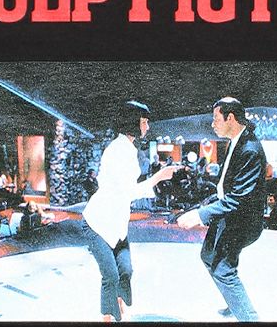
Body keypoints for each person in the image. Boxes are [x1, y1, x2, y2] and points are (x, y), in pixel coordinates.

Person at [82, 100, 180, 322]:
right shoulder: (117, 151)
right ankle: (108, 318)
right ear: (131, 122)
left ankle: (118, 305)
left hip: (116, 224)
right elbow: (128, 192)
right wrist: (158, 177)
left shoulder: (127, 148)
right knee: (111, 275)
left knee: (125, 271)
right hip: (98, 224)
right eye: (144, 122)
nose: (147, 127)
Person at [177, 97, 266, 322]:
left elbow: (238, 199)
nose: (212, 124)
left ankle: (249, 317)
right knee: (208, 255)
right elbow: (225, 187)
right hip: (229, 215)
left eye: (216, 119)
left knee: (223, 269)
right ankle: (234, 300)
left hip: (243, 221)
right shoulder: (236, 141)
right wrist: (203, 207)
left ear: (231, 118)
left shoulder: (250, 149)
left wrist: (199, 215)